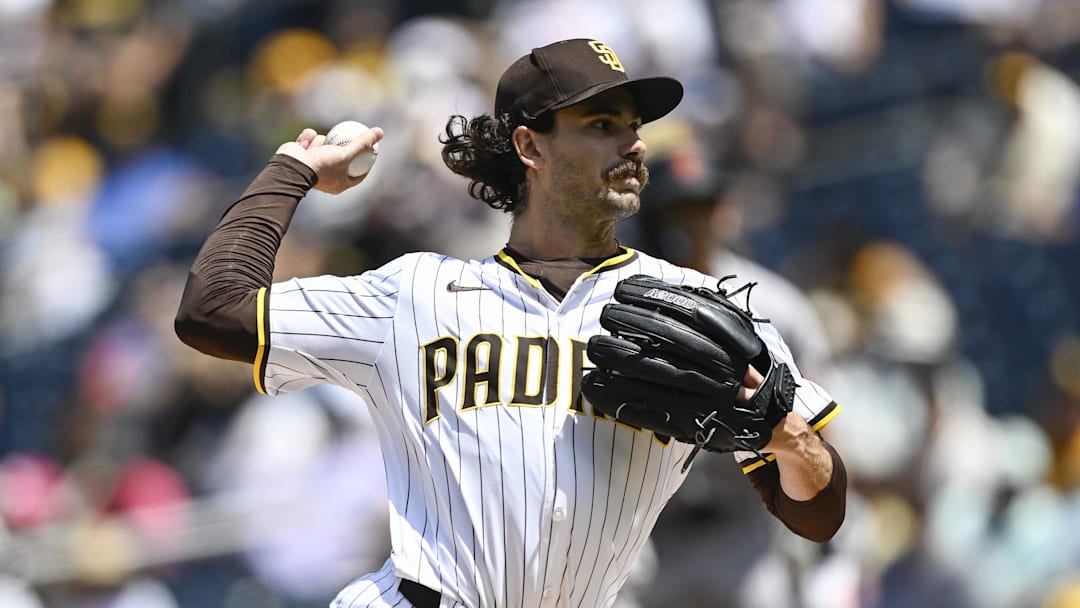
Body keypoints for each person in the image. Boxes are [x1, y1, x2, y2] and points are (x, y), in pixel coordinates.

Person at [175, 38, 846, 608]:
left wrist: (786, 437)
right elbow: (212, 312)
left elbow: (817, 514)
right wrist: (291, 171)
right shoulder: (414, 293)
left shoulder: (699, 308)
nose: (634, 144)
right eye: (602, 123)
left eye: (632, 125)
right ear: (530, 144)